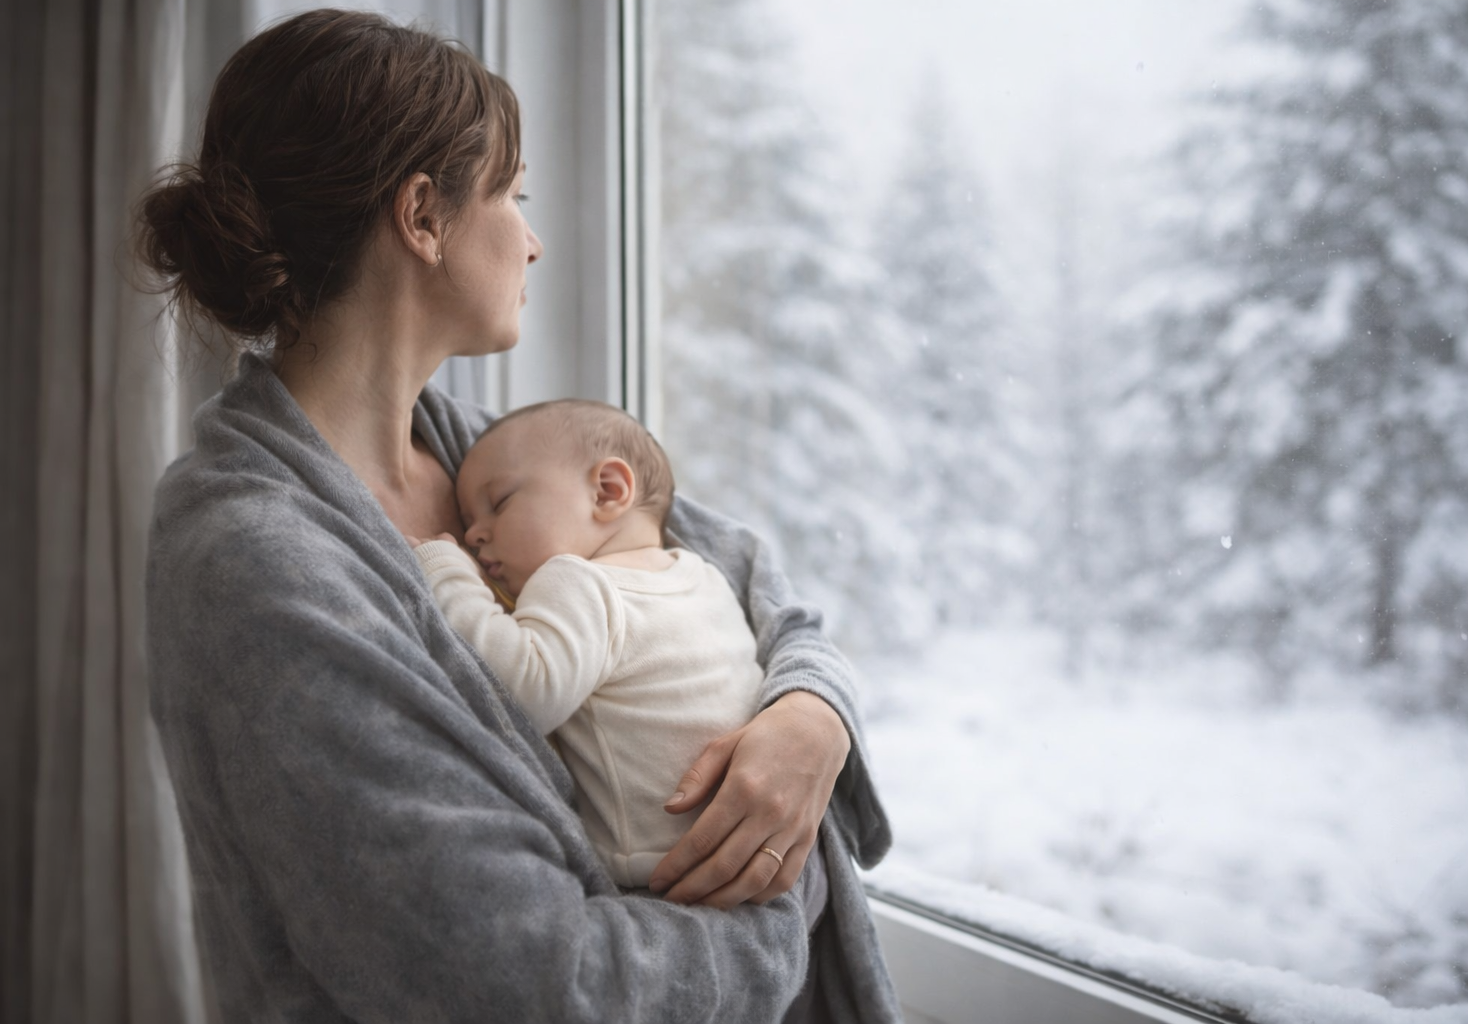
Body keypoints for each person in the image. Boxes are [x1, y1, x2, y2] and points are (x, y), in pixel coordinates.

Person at [137, 8, 898, 1023]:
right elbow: (536, 987)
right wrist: (785, 888)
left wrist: (811, 719)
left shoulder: (479, 459)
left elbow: (753, 589)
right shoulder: (253, 563)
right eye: (511, 192)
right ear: (423, 215)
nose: (534, 241)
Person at [410, 399, 830, 904]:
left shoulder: (578, 581)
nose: (474, 535)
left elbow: (520, 691)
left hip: (658, 874)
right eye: (467, 522)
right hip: (758, 854)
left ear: (608, 491)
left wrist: (446, 573)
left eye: (498, 503)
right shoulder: (704, 575)